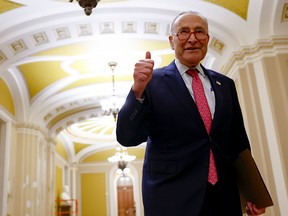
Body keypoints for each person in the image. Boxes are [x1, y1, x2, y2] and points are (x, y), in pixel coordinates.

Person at [116, 11, 267, 216]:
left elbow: (237, 142)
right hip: (172, 197)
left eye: (199, 32)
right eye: (184, 32)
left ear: (207, 39)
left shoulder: (225, 85)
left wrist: (252, 192)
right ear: (172, 41)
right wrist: (137, 91)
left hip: (224, 196)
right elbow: (127, 137)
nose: (192, 38)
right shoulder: (152, 82)